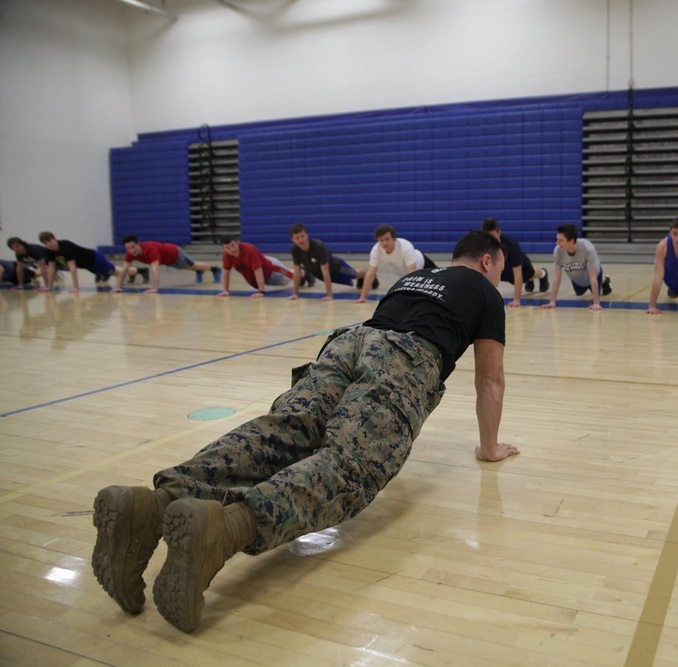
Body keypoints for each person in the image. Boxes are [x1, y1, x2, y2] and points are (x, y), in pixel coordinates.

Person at [89, 231, 519, 633]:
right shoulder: (484, 291)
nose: (497, 278)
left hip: (347, 341)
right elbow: (490, 379)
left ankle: (154, 503)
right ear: (487, 261)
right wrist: (488, 447)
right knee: (351, 466)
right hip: (404, 355)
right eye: (498, 271)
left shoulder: (418, 276)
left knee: (284, 432)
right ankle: (226, 528)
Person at [37, 231, 140, 293]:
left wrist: (76, 287)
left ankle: (139, 271)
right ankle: (109, 274)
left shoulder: (65, 246)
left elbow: (73, 268)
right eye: (46, 243)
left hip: (95, 258)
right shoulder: (48, 251)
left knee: (117, 272)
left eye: (50, 241)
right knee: (116, 273)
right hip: (87, 265)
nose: (49, 244)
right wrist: (49, 287)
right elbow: (51, 268)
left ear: (54, 238)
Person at [287, 223, 368, 302]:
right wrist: (295, 294)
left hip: (336, 268)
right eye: (297, 238)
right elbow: (297, 271)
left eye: (302, 236)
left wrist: (329, 295)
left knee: (355, 274)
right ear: (292, 239)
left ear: (307, 235)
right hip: (319, 273)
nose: (301, 240)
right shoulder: (295, 250)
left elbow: (325, 271)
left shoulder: (318, 246)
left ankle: (370, 275)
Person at [113, 235, 219, 294]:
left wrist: (155, 287)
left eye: (133, 247)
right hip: (167, 261)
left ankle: (214, 269)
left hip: (175, 253)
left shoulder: (150, 249)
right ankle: (199, 271)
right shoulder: (130, 254)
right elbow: (124, 270)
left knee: (193, 264)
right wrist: (118, 287)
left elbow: (154, 269)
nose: (132, 250)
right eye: (128, 248)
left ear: (138, 244)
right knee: (188, 267)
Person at [541, 223, 611, 311]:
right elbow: (556, 278)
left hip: (593, 275)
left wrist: (596, 303)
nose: (557, 243)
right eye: (557, 239)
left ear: (571, 241)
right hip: (577, 277)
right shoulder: (557, 251)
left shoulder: (587, 248)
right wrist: (552, 302)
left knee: (599, 286)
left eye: (561, 240)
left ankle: (604, 280)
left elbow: (593, 277)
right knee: (579, 293)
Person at [354, 225, 433, 302]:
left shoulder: (405, 247)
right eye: (381, 240)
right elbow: (371, 273)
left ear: (394, 238)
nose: (384, 243)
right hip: (404, 273)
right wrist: (363, 297)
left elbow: (412, 273)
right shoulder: (376, 250)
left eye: (387, 239)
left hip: (423, 265)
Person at [481, 218, 549, 307]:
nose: (491, 239)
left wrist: (516, 300)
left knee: (530, 275)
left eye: (493, 236)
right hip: (503, 270)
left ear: (499, 232)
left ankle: (543, 273)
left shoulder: (511, 245)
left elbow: (517, 273)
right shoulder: (482, 245)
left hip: (521, 267)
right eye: (488, 236)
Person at [216, 236, 294, 298]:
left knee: (293, 277)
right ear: (223, 249)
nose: (231, 250)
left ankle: (303, 272)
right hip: (260, 275)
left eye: (233, 245)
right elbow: (225, 272)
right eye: (227, 247)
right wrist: (225, 291)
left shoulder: (249, 250)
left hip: (272, 270)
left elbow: (258, 270)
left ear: (238, 243)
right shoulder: (226, 255)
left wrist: (261, 291)